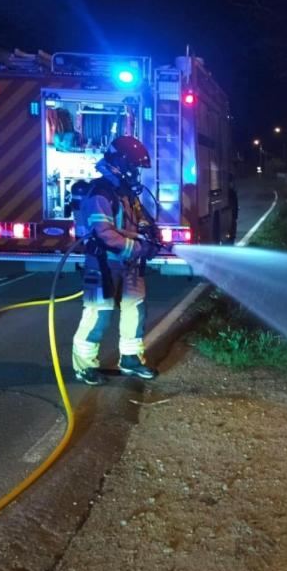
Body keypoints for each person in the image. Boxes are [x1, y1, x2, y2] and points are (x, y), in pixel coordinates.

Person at [72, 136, 163, 386]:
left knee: (135, 310)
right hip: (103, 264)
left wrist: (150, 234)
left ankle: (131, 360)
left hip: (129, 264)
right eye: (134, 167)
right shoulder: (100, 193)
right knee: (98, 315)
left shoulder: (125, 193)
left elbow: (139, 220)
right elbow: (105, 234)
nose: (136, 173)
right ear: (120, 164)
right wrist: (139, 249)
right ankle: (84, 366)